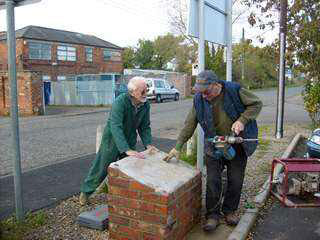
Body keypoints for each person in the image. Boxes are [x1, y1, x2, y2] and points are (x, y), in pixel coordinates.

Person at [164, 70, 262, 232]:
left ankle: (230, 211)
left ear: (216, 85)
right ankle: (212, 215)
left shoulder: (234, 90)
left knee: (235, 179)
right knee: (213, 181)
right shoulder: (199, 99)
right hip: (214, 143)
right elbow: (190, 123)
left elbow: (256, 103)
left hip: (237, 142)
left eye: (206, 92)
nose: (204, 96)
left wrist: (242, 120)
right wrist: (178, 146)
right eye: (200, 92)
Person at [79, 76, 156, 205]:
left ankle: (124, 196)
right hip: (112, 140)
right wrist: (126, 149)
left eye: (146, 90)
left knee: (129, 169)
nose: (145, 93)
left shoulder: (145, 105)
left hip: (130, 139)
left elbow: (144, 126)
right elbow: (116, 126)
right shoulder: (120, 102)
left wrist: (148, 144)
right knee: (101, 168)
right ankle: (86, 192)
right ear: (132, 92)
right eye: (142, 91)